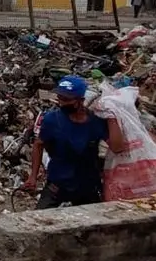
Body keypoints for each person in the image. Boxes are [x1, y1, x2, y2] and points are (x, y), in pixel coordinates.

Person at [23, 75, 128, 209]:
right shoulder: (52, 120)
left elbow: (117, 147)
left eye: (66, 99)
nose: (62, 103)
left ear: (81, 100)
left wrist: (112, 116)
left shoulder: (95, 122)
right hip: (58, 185)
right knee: (37, 222)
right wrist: (33, 177)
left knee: (93, 227)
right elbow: (38, 144)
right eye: (60, 98)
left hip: (87, 187)